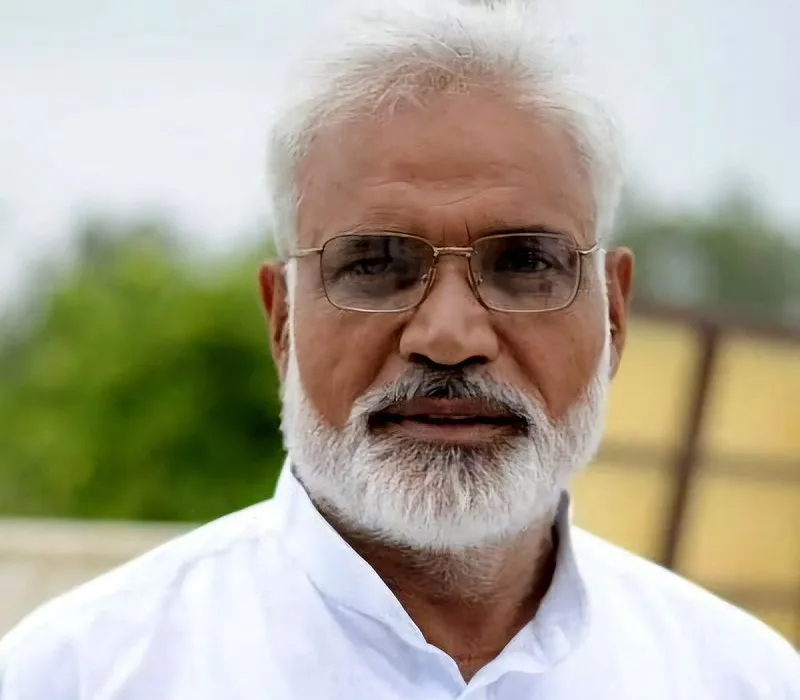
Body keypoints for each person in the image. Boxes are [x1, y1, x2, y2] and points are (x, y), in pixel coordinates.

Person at [1, 0, 798, 697]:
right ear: (281, 320)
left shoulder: (741, 680)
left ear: (614, 316)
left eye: (525, 263)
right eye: (376, 265)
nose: (449, 338)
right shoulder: (78, 677)